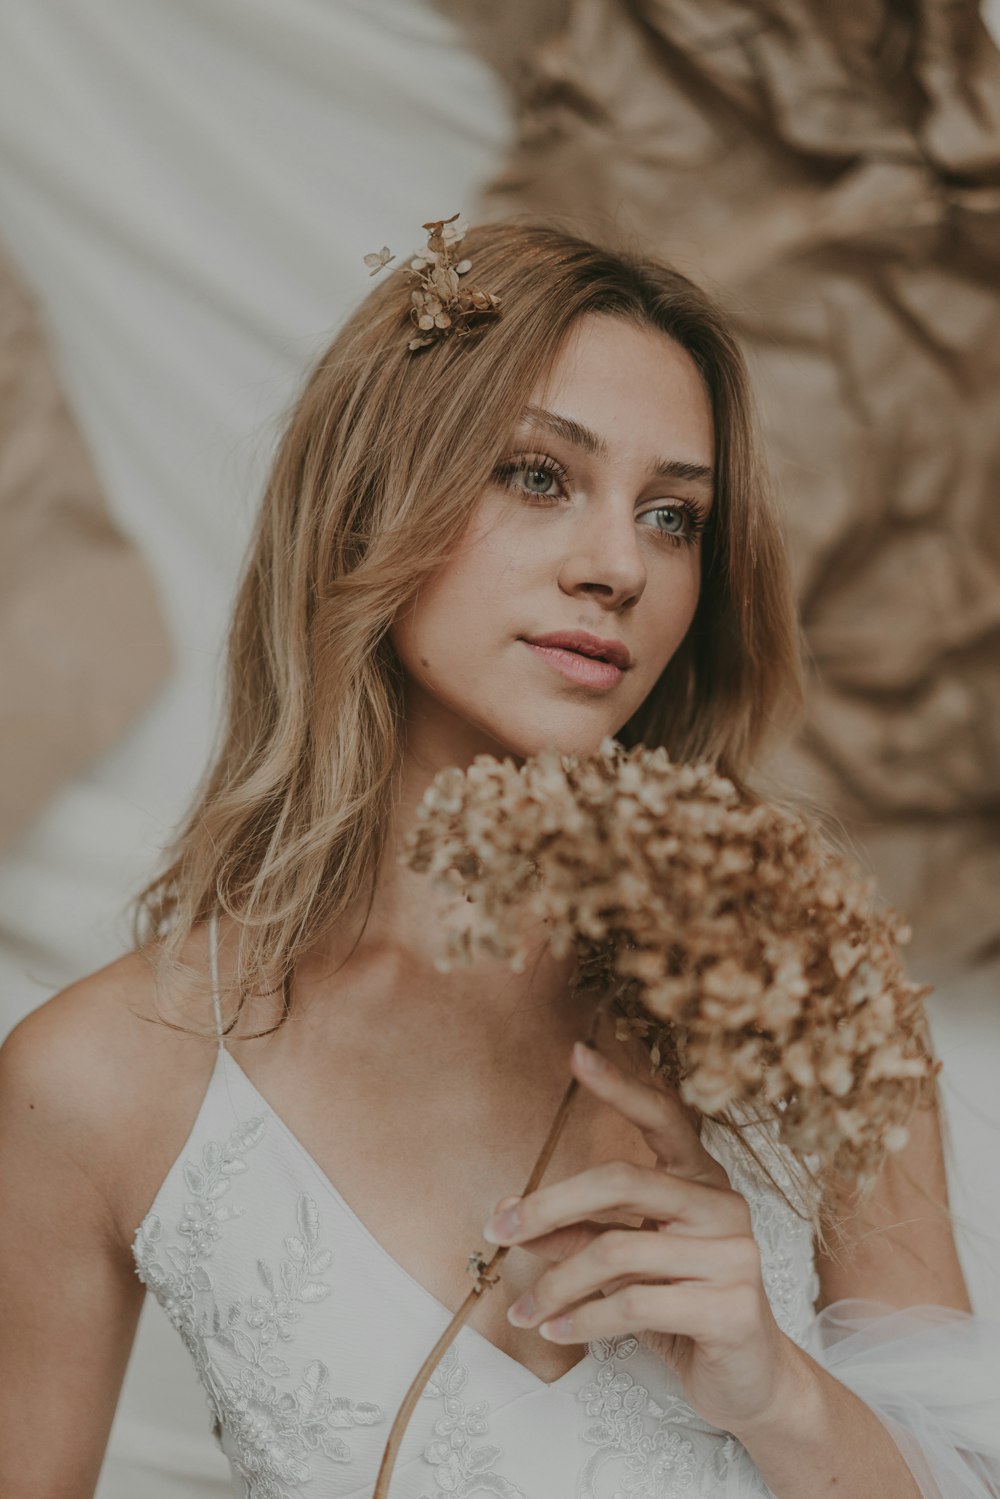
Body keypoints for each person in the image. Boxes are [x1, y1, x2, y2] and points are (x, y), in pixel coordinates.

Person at [1, 218, 997, 1499]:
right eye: (537, 474)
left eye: (672, 515)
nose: (617, 565)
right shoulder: (103, 1081)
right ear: (368, 504)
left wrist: (779, 1394)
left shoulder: (806, 997)